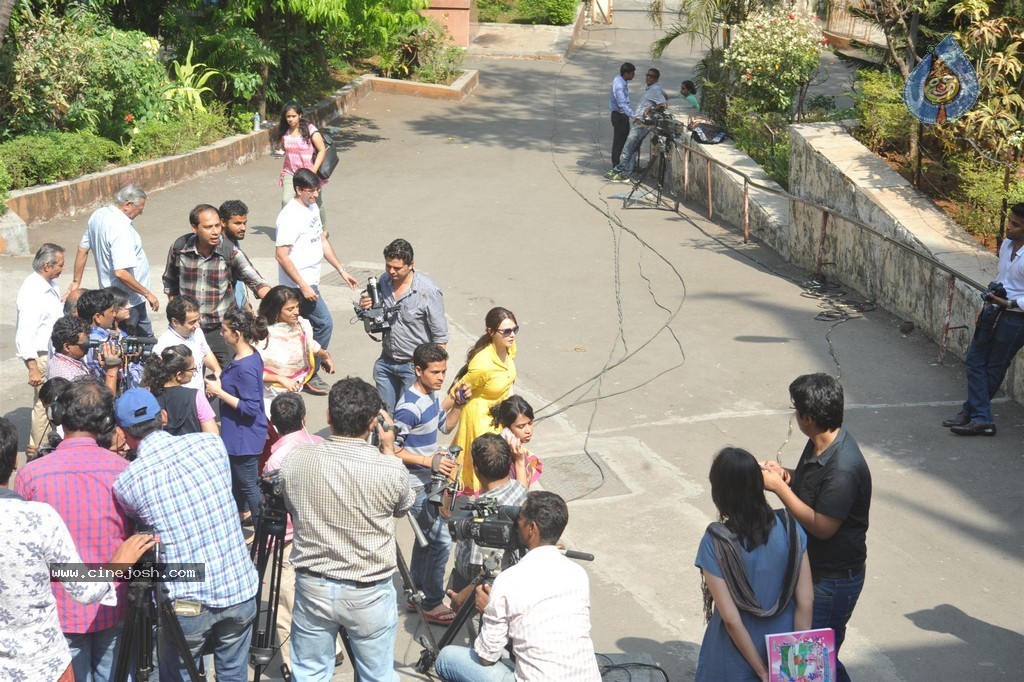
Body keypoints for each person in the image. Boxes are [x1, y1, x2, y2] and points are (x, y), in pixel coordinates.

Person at [112, 388, 258, 682]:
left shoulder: (126, 482)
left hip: (186, 605)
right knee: (233, 673)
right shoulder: (210, 445)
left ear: (122, 433)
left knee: (178, 674)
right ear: (163, 417)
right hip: (239, 591)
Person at [1, 412, 156, 682]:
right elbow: (84, 589)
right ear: (14, 460)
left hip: (63, 623)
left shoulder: (32, 476)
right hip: (46, 659)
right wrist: (115, 566)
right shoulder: (37, 516)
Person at [280, 377, 414, 681]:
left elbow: (289, 503)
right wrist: (389, 449)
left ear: (328, 416)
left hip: (313, 586)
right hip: (368, 592)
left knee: (310, 672)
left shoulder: (296, 458)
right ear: (373, 423)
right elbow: (403, 506)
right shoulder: (389, 468)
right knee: (376, 674)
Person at [761, 373, 872, 682]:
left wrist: (779, 490)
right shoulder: (820, 443)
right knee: (815, 656)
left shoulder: (844, 468)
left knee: (812, 658)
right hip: (816, 570)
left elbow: (823, 527)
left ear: (807, 418)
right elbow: (813, 487)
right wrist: (786, 476)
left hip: (833, 580)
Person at [433, 491, 601, 682]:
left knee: (446, 658)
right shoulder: (578, 574)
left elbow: (486, 657)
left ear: (531, 528)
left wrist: (489, 610)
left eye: (519, 519)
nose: (515, 525)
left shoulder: (509, 580)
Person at [695, 447, 813, 682]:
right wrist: (794, 667)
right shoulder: (791, 528)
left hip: (731, 660)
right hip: (784, 652)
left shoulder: (715, 542)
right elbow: (806, 600)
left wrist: (762, 672)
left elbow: (731, 619)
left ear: (720, 492)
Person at [392, 343, 470, 625]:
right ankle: (433, 602)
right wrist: (429, 462)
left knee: (425, 540)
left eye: (443, 372)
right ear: (418, 370)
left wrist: (459, 405)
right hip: (414, 485)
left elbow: (444, 427)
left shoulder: (433, 397)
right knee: (441, 541)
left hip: (431, 483)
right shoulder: (408, 407)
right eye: (435, 372)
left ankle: (417, 592)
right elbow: (391, 450)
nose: (440, 377)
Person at [261, 392, 331, 670]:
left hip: (290, 542)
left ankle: (293, 661)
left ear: (274, 424)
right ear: (304, 417)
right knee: (321, 594)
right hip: (323, 533)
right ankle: (331, 646)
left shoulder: (274, 462)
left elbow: (275, 511)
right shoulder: (320, 444)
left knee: (286, 602)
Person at [943, 202, 1024, 436]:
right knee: (974, 360)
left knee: (995, 366)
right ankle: (976, 413)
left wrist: (1008, 304)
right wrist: (990, 303)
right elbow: (1003, 278)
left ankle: (977, 416)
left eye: (1016, 225)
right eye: (1010, 222)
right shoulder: (1008, 244)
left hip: (1016, 318)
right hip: (994, 309)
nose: (1009, 227)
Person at [275, 169, 357, 394]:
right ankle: (310, 371)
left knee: (296, 328)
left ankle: (299, 367)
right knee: (324, 324)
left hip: (310, 282)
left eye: (318, 190)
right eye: (311, 191)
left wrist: (341, 270)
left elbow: (321, 241)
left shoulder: (312, 208)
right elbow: (281, 255)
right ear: (299, 190)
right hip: (297, 286)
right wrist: (303, 285)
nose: (315, 195)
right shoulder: (289, 216)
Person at [164, 203, 271, 367]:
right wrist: (177, 310)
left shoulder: (230, 251)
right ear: (195, 228)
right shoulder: (180, 247)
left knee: (229, 374)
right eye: (208, 227)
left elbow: (256, 280)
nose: (215, 232)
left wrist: (277, 302)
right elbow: (170, 280)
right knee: (189, 374)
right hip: (189, 328)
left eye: (217, 226)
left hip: (221, 329)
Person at [361, 238, 450, 413]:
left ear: (411, 264)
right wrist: (365, 303)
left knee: (409, 417)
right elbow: (373, 305)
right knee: (384, 416)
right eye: (388, 266)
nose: (391, 272)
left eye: (397, 268)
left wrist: (433, 372)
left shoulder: (428, 291)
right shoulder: (384, 281)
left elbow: (440, 336)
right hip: (386, 363)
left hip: (412, 368)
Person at [205, 308, 270, 530]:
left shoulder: (245, 367)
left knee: (249, 485)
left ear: (237, 333)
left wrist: (220, 392)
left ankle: (262, 529)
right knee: (238, 482)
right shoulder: (247, 355)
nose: (221, 334)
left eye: (224, 330)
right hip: (238, 435)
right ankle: (242, 517)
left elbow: (250, 408)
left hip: (244, 438)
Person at [445, 434, 528, 603]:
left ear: (475, 468)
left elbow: (481, 571)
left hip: (483, 594)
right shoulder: (520, 488)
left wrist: (461, 599)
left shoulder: (483, 513)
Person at [71, 184, 159, 335]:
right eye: (140, 208)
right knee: (140, 341)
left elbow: (82, 249)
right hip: (129, 301)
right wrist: (147, 293)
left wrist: (75, 281)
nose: (141, 213)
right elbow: (121, 272)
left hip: (110, 295)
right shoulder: (121, 229)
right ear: (127, 204)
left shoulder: (99, 215)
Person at [449, 307, 519, 494]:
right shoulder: (482, 363)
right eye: (506, 331)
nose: (512, 335)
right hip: (480, 417)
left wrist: (514, 413)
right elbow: (457, 389)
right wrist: (441, 416)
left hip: (500, 413)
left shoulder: (509, 347)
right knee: (488, 463)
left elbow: (509, 380)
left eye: (514, 329)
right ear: (491, 332)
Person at [16, 243, 66, 458]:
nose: (63, 268)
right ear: (47, 265)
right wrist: (33, 367)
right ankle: (39, 451)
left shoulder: (50, 285)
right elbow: (25, 333)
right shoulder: (32, 292)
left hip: (51, 353)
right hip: (41, 356)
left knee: (47, 404)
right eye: (60, 264)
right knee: (44, 406)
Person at [259, 285, 334, 402]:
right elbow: (252, 370)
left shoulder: (302, 325)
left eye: (297, 307)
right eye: (290, 309)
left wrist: (325, 356)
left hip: (295, 386)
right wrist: (279, 379)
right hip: (269, 393)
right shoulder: (262, 334)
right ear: (276, 310)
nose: (296, 312)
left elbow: (309, 344)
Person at [141, 345, 219, 436]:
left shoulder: (147, 395)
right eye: (192, 369)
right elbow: (213, 435)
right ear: (179, 375)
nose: (193, 372)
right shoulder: (196, 396)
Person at [273, 101, 330, 223]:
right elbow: (285, 148)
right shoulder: (285, 132)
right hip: (290, 172)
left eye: (293, 116)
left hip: (309, 173)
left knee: (316, 202)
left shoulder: (310, 130)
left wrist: (313, 171)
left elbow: (321, 150)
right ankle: (288, 229)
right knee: (286, 200)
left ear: (300, 115)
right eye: (288, 116)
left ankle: (323, 230)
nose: (291, 119)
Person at [610, 67, 669, 182]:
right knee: (632, 149)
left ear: (656, 78)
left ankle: (620, 172)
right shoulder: (653, 88)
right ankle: (626, 173)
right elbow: (665, 96)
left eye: (651, 76)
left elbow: (663, 104)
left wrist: (651, 108)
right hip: (640, 122)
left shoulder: (654, 89)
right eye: (647, 75)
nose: (648, 77)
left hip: (642, 123)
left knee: (628, 148)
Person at [153, 294, 222, 390]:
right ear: (175, 322)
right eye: (192, 322)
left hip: (198, 396)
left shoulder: (197, 332)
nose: (198, 325)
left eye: (198, 320)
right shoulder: (163, 346)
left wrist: (217, 370)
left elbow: (205, 353)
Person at [77, 289, 129, 391]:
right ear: (97, 317)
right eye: (111, 311)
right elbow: (120, 375)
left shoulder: (78, 337)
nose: (114, 315)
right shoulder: (104, 342)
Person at [491, 395, 542, 487]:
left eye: (530, 423)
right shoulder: (502, 455)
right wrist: (520, 462)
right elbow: (520, 493)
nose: (528, 430)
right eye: (521, 426)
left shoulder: (516, 446)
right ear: (506, 426)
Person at [47, 315, 104, 387]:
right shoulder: (67, 375)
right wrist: (112, 370)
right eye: (85, 344)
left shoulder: (70, 360)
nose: (89, 347)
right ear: (67, 347)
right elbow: (93, 397)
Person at [220, 200, 255, 312]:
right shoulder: (220, 251)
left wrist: (246, 305)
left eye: (244, 223)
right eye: (237, 223)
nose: (243, 228)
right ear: (223, 222)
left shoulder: (235, 243)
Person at [607, 62, 636, 175]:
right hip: (620, 116)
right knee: (619, 142)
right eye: (632, 73)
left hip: (621, 115)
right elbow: (622, 104)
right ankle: (616, 166)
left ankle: (621, 164)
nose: (633, 75)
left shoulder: (620, 80)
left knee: (623, 140)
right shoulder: (619, 85)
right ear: (626, 73)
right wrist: (633, 115)